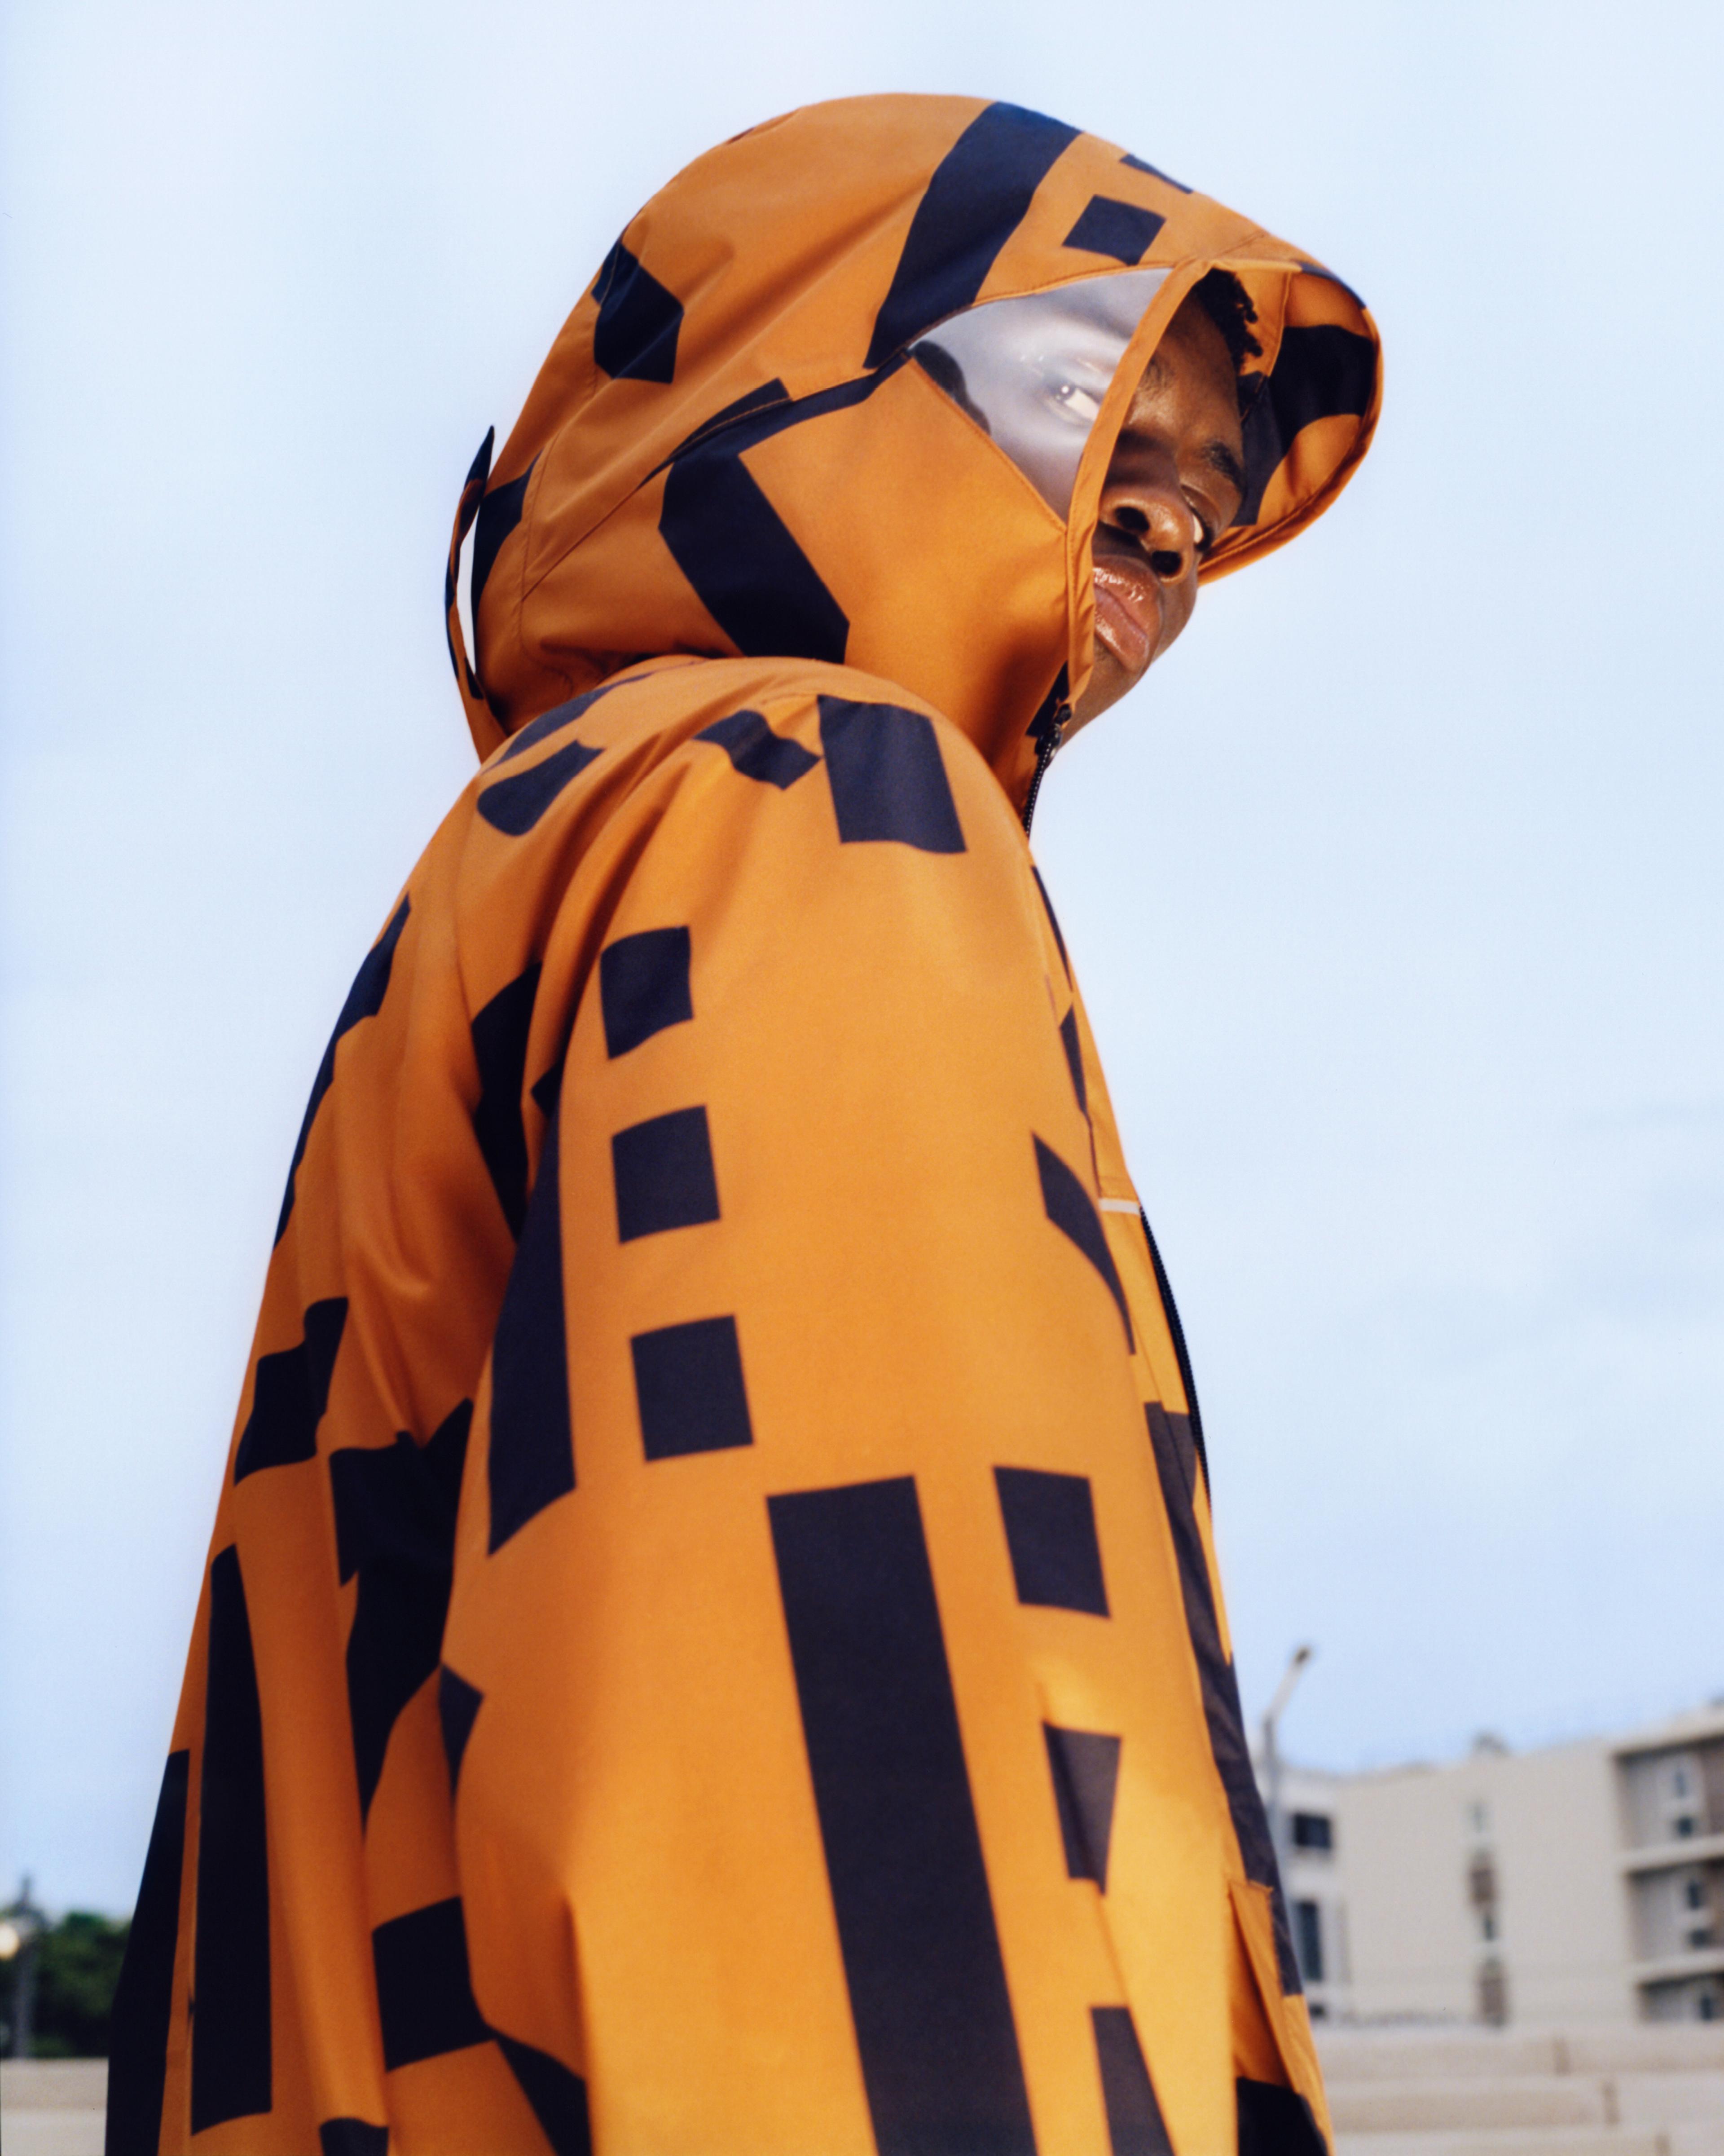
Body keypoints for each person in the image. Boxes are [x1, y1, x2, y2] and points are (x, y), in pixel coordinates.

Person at [106, 94, 1380, 2156]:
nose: (1164, 538)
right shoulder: (815, 804)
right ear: (823, 377)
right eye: (1097, 428)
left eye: (1206, 514)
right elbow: (855, 1759)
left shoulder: (586, 820)